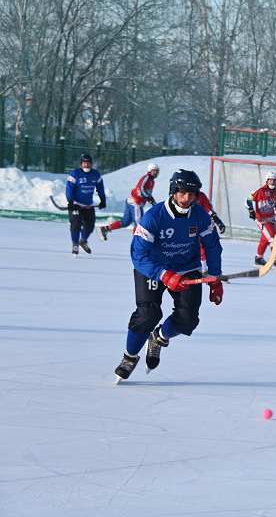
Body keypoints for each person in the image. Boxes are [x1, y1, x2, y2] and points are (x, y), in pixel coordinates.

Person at [114, 169, 224, 383]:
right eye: (182, 193)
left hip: (186, 268)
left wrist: (215, 278)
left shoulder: (200, 215)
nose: (187, 198)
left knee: (188, 319)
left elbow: (212, 246)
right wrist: (164, 274)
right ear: (173, 191)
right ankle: (129, 357)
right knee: (148, 315)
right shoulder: (154, 216)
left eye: (192, 195)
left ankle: (159, 338)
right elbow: (138, 255)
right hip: (153, 268)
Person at [97, 163, 160, 241]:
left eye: (157, 171)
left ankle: (106, 228)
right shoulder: (147, 178)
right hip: (136, 202)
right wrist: (147, 196)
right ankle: (136, 242)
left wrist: (150, 198)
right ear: (150, 170)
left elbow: (147, 192)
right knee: (139, 223)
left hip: (131, 202)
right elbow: (141, 189)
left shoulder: (152, 182)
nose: (156, 173)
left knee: (125, 222)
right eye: (154, 171)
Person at [246, 170, 276, 270]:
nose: (272, 182)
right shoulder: (260, 191)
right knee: (274, 238)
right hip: (262, 220)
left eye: (274, 181)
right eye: (270, 180)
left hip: (271, 220)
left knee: (265, 239)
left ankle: (259, 259)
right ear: (267, 180)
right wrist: (251, 210)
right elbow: (248, 200)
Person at [65, 153, 106, 256]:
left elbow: (100, 187)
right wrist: (70, 201)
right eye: (84, 163)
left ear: (91, 164)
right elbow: (69, 189)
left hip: (88, 205)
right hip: (76, 204)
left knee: (89, 226)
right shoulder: (74, 174)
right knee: (76, 225)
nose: (86, 165)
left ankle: (83, 241)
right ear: (81, 164)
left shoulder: (96, 174)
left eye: (88, 163)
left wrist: (103, 199)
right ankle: (75, 244)